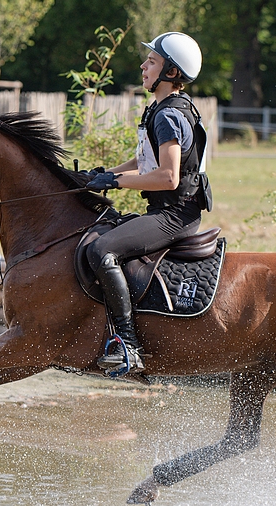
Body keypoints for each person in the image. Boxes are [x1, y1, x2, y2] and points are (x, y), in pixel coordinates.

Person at [85, 31, 209, 375]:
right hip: (165, 210)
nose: (143, 65)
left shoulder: (168, 115)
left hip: (174, 215)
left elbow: (167, 177)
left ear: (170, 72)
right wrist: (102, 174)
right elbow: (144, 161)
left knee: (102, 250)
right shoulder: (160, 108)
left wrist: (116, 182)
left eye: (152, 61)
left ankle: (128, 343)